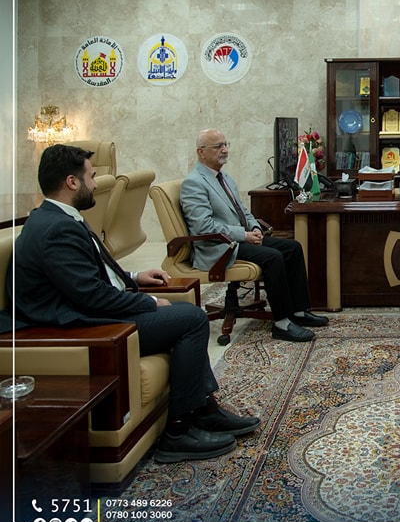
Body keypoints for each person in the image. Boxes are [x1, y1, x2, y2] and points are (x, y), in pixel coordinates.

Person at [13, 144, 260, 463]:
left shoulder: (58, 218)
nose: (95, 184)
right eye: (91, 177)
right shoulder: (55, 228)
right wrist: (148, 302)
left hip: (85, 311)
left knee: (188, 314)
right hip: (78, 324)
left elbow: (86, 274)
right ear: (72, 182)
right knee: (192, 320)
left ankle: (203, 410)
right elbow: (91, 296)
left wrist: (133, 276)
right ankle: (179, 433)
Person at [181, 129, 328, 343]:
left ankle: (298, 311)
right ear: (201, 152)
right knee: (273, 257)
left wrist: (254, 228)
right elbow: (204, 227)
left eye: (226, 144)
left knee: (292, 248)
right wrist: (244, 235)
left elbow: (242, 210)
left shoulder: (224, 177)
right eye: (218, 146)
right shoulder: (194, 182)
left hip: (238, 239)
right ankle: (281, 323)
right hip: (218, 246)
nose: (225, 150)